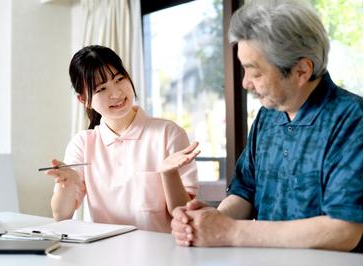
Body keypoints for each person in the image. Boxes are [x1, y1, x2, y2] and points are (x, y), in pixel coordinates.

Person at [171, 0, 363, 251]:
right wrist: (208, 220)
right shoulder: (267, 116)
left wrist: (230, 230)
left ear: (302, 70)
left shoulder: (352, 119)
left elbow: (343, 230)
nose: (245, 83)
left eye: (256, 72)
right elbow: (245, 191)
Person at [46, 45, 200, 233]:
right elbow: (61, 215)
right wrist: (68, 182)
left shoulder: (168, 133)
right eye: (101, 89)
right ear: (83, 100)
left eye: (119, 79)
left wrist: (169, 174)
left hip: (161, 255)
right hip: (105, 253)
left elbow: (184, 215)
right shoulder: (82, 144)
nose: (117, 93)